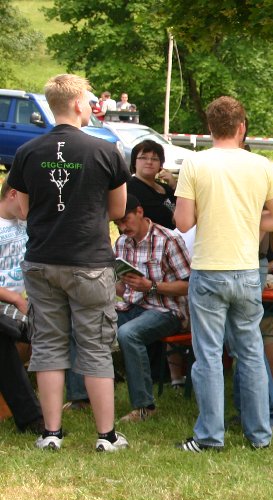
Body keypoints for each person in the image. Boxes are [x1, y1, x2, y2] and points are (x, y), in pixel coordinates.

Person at [7, 73, 129, 451]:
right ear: (77, 104)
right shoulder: (105, 151)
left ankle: (51, 434)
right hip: (89, 262)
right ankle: (106, 436)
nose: (92, 107)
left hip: (42, 262)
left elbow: (24, 210)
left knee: (47, 347)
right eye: (89, 101)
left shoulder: (28, 152)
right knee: (95, 347)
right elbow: (119, 209)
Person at [173, 95, 273, 452]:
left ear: (210, 128)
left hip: (209, 269)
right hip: (246, 269)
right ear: (242, 127)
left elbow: (183, 222)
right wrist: (249, 221)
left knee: (208, 355)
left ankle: (210, 436)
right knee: (251, 352)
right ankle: (260, 434)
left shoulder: (195, 163)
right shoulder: (260, 164)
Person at [111, 195, 191, 422]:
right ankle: (82, 397)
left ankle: (144, 407)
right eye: (117, 224)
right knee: (85, 324)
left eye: (125, 220)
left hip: (167, 310)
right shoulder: (121, 243)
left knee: (129, 334)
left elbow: (189, 285)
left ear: (139, 212)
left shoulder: (168, 239)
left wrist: (151, 286)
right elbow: (121, 288)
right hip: (131, 305)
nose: (122, 228)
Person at [0, 178, 43, 435]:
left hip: (18, 308)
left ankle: (33, 419)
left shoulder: (27, 224)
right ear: (13, 194)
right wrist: (16, 299)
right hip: (10, 305)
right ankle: (32, 419)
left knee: (2, 339)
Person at [128, 139, 177, 230]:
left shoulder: (166, 187)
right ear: (134, 162)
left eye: (154, 159)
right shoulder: (132, 188)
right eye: (143, 158)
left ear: (160, 164)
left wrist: (174, 186)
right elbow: (166, 218)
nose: (149, 162)